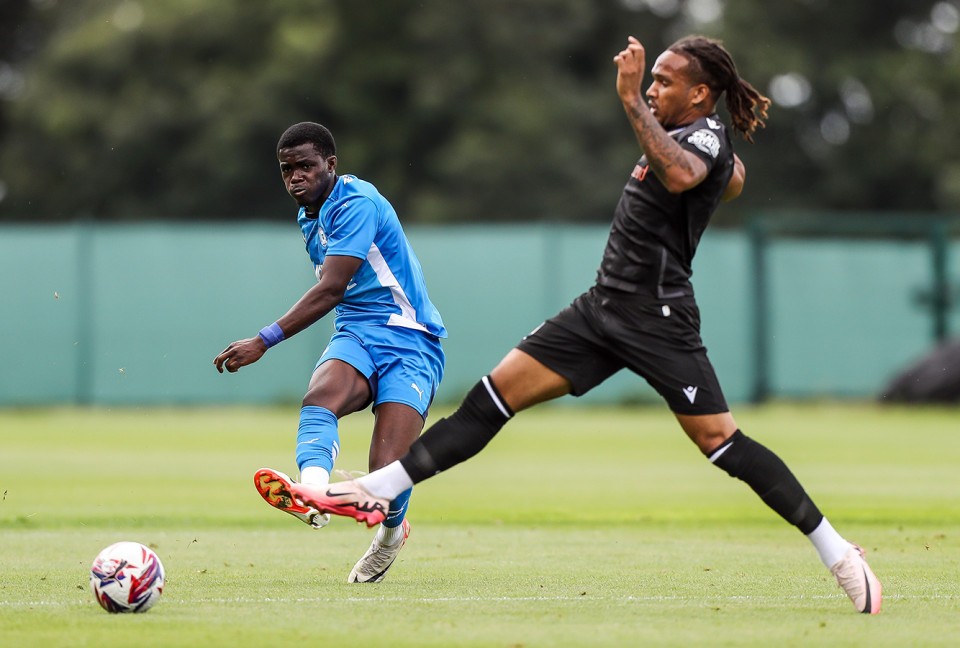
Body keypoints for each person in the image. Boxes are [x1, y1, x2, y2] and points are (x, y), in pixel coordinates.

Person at [285, 36, 883, 614]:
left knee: (721, 444)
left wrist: (630, 100)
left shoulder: (699, 136)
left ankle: (837, 552)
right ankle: (379, 488)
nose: (652, 88)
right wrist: (715, 166)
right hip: (599, 311)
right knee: (489, 402)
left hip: (658, 318)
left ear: (701, 94)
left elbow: (685, 175)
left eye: (664, 81)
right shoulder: (689, 139)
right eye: (650, 81)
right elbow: (725, 178)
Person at [214, 121, 446, 583]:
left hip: (410, 338)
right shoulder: (309, 217)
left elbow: (332, 287)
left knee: (386, 474)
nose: (295, 176)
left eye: (305, 166)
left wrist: (263, 339)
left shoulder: (356, 203)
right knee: (320, 397)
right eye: (287, 169)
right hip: (357, 332)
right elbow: (341, 296)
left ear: (331, 164)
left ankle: (391, 536)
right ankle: (313, 494)